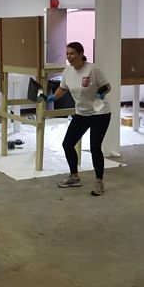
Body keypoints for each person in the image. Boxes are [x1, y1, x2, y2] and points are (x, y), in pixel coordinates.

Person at [46, 42, 111, 196]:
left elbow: (107, 86)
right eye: (67, 54)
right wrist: (52, 98)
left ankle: (99, 181)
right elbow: (63, 88)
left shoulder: (92, 69)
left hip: (99, 113)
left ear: (81, 54)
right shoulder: (68, 71)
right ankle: (74, 177)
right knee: (67, 144)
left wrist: (102, 92)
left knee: (95, 147)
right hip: (81, 113)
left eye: (72, 53)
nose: (69, 57)